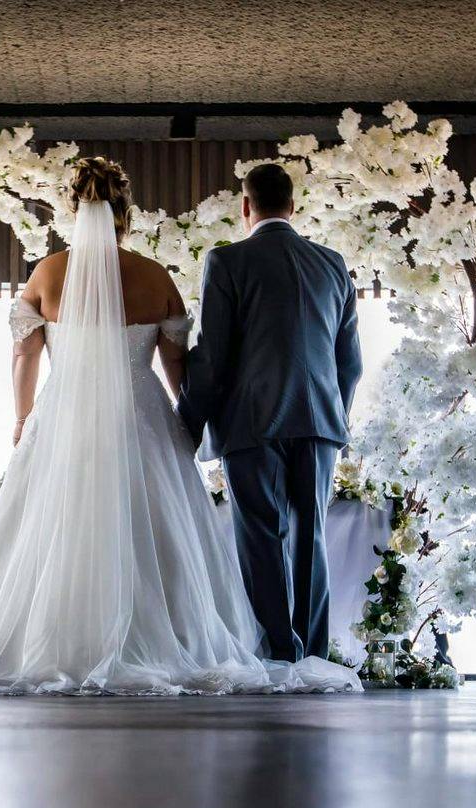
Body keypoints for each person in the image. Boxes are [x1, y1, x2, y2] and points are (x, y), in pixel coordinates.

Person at [0, 158, 359, 696]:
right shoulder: (158, 277)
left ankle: (64, 638)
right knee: (255, 534)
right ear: (125, 211)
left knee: (62, 529)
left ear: (75, 206)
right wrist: (189, 424)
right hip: (168, 419)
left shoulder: (47, 274)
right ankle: (299, 655)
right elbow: (181, 362)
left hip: (66, 419)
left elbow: (25, 353)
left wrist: (22, 419)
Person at [178, 163, 363, 662]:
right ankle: (314, 660)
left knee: (262, 537)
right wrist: (333, 421)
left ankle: (278, 656)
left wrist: (187, 426)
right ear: (293, 206)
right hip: (321, 424)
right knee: (312, 538)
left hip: (252, 423)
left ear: (245, 207)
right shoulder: (332, 264)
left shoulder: (227, 261)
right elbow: (351, 363)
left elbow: (211, 355)